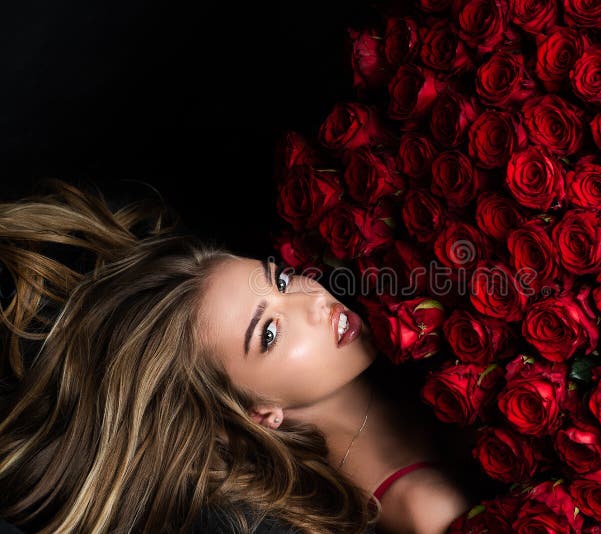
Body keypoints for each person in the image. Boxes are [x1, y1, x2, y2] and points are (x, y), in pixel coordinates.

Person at [0, 179, 474, 533]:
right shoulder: (424, 505)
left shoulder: (390, 318)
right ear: (259, 410)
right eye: (269, 332)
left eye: (282, 281)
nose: (313, 302)